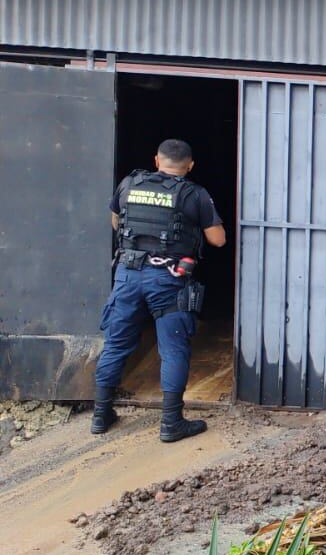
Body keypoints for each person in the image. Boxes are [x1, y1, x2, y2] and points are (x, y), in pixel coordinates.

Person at [91, 139, 226, 442]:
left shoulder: (129, 184)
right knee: (173, 348)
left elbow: (116, 220)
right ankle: (171, 423)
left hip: (127, 274)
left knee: (115, 343)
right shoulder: (195, 194)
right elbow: (218, 240)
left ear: (156, 160)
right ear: (190, 166)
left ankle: (101, 415)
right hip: (167, 278)